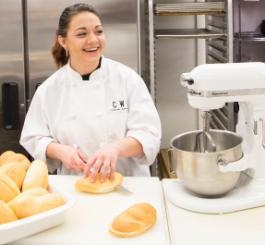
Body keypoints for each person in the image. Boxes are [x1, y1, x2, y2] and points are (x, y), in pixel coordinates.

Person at [20, 3, 161, 182]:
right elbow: (33, 137)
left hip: (128, 184)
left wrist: (115, 149)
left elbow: (149, 134)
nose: (93, 40)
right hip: (75, 186)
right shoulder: (49, 90)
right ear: (63, 41)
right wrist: (61, 151)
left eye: (99, 31)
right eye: (82, 34)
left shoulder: (127, 80)